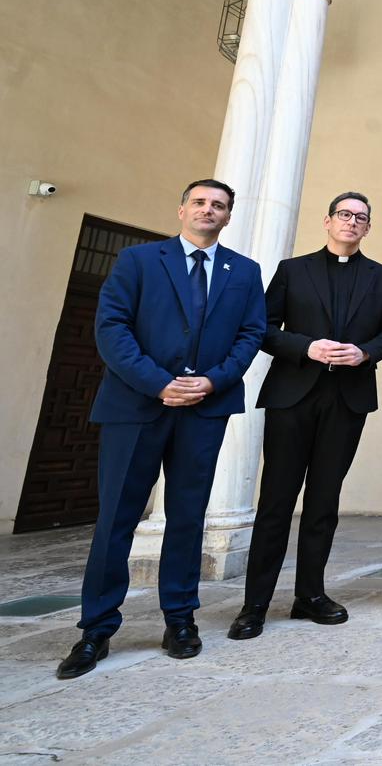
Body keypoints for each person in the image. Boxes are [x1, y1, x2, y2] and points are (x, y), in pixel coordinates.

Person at [56, 180, 265, 679]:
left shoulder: (244, 271)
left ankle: (180, 620)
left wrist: (212, 381)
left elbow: (251, 333)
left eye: (219, 205)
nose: (208, 210)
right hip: (137, 407)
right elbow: (112, 327)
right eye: (200, 202)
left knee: (188, 517)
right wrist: (158, 384)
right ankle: (96, 629)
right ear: (181, 209)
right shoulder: (139, 261)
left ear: (228, 217)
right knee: (117, 520)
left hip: (204, 410)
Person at [229, 191, 382, 641]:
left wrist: (363, 353)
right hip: (293, 396)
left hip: (347, 399)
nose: (351, 222)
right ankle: (255, 603)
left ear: (367, 228)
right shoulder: (292, 270)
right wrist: (306, 346)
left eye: (361, 217)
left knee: (324, 502)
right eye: (344, 215)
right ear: (328, 222)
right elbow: (263, 329)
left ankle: (310, 594)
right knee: (276, 502)